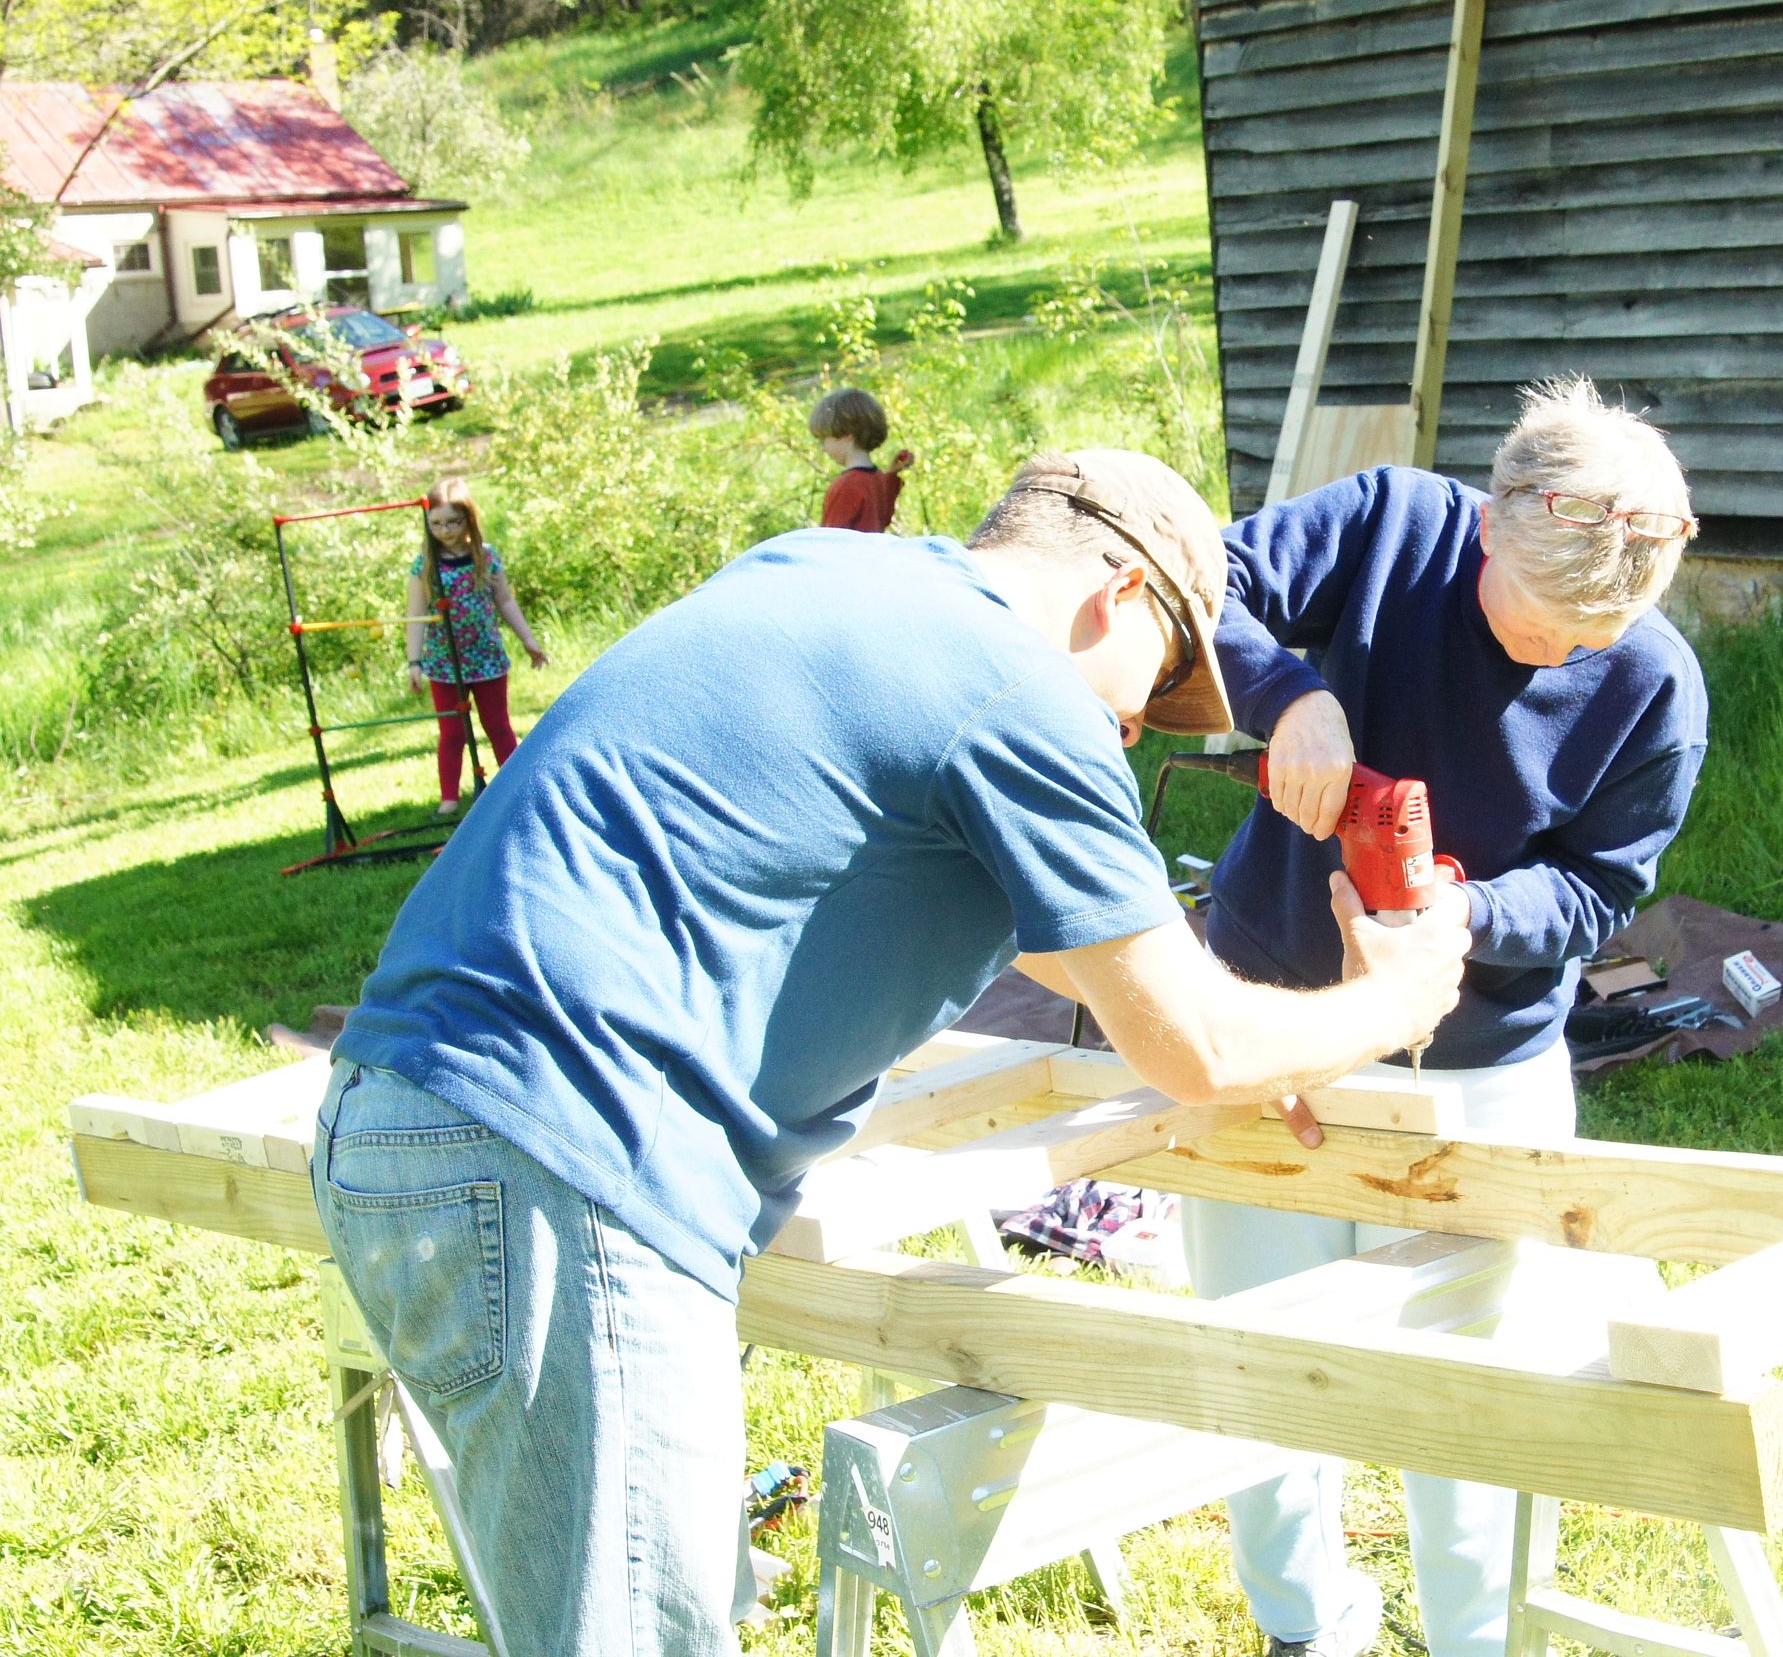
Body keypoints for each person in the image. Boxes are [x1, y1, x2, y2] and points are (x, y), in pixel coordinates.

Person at [317, 449, 1473, 1657]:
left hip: (401, 1113)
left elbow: (1094, 967)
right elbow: (1194, 1042)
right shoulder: (1015, 689)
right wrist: (1390, 1000)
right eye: (1165, 676)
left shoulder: (818, 573)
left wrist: (1287, 1044)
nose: (1135, 725)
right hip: (567, 1157)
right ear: (1120, 591)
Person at [1183, 377, 1709, 1657]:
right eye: (1542, 628)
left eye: (1597, 635)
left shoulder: (1651, 682)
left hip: (1482, 1065)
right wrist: (1288, 695)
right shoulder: (1389, 527)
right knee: (1260, 1361)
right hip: (1268, 1020)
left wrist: (1470, 919)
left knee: (1469, 1396)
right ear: (1488, 527)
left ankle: (1477, 1639)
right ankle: (1304, 1628)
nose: (1564, 655)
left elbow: (1599, 885)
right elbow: (1197, 581)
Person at [405, 476, 547, 818]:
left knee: (498, 724)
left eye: (452, 521)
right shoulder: (425, 565)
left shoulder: (485, 557)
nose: (445, 530)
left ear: (468, 518)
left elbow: (506, 601)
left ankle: (516, 787)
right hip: (444, 662)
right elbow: (416, 613)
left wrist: (528, 640)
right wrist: (414, 662)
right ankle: (449, 799)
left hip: (486, 657)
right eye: (436, 523)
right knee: (452, 731)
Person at [813, 385, 914, 530]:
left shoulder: (846, 486)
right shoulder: (878, 478)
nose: (823, 447)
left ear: (847, 434)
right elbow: (884, 517)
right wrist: (891, 475)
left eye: (823, 439)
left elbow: (830, 540)